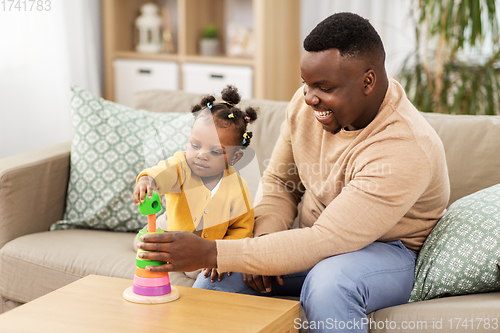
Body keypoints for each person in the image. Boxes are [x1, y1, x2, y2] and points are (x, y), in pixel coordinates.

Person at [136, 13, 450, 332]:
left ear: (367, 81)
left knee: (329, 283)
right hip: (315, 236)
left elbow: (327, 239)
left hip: (388, 251)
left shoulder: (405, 146)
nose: (310, 98)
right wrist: (265, 241)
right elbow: (281, 182)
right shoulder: (306, 108)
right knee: (217, 279)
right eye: (306, 84)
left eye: (324, 87)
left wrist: (212, 250)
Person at [133, 85, 258, 282]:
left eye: (216, 152)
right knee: (147, 243)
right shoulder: (182, 166)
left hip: (203, 251)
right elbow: (164, 171)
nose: (201, 155)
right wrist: (149, 180)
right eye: (195, 145)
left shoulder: (239, 188)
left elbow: (241, 229)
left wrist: (223, 257)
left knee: (197, 272)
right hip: (170, 229)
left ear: (235, 157)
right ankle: (145, 235)